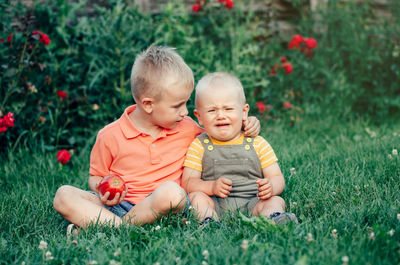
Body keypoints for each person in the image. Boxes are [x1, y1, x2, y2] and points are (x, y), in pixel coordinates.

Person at [53, 46, 260, 230]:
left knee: (173, 192)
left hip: (163, 204)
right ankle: (121, 226)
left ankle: (109, 226)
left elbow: (218, 135)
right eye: (177, 105)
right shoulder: (109, 135)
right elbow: (96, 176)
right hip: (119, 205)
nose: (185, 112)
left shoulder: (187, 127)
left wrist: (245, 124)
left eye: (186, 103)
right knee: (63, 195)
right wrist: (102, 189)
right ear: (149, 104)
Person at [182, 72, 298, 225]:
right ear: (199, 117)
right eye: (212, 110)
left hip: (254, 201)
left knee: (275, 199)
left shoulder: (257, 143)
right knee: (197, 197)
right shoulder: (199, 145)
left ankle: (272, 218)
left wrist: (271, 186)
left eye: (228, 109)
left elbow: (277, 177)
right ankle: (208, 221)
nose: (220, 115)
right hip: (215, 203)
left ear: (244, 112)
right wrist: (211, 186)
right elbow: (188, 182)